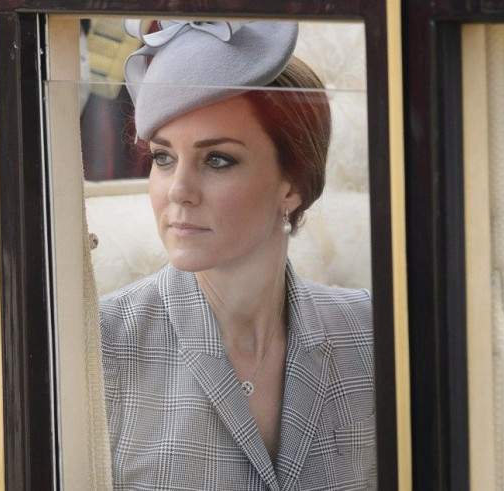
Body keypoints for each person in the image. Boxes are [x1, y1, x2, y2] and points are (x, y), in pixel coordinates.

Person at [99, 20, 375, 490]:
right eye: (163, 158)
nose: (179, 191)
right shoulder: (99, 345)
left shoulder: (371, 335)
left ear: (292, 184)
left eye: (217, 159)